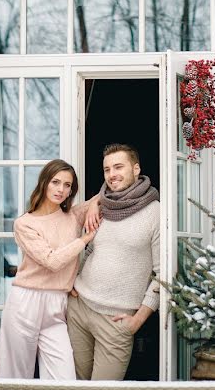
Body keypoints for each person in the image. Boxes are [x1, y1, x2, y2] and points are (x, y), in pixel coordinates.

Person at [0, 159, 101, 380]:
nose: (61, 189)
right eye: (56, 182)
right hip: (25, 302)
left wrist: (95, 203)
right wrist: (84, 239)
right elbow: (51, 261)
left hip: (56, 304)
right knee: (13, 374)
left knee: (64, 377)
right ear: (44, 183)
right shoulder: (25, 224)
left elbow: (104, 195)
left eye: (67, 185)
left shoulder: (73, 216)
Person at [67, 143, 160, 380]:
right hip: (79, 309)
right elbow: (90, 251)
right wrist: (71, 282)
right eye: (107, 169)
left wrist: (138, 320)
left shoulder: (155, 212)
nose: (112, 175)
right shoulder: (102, 205)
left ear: (136, 168)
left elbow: (164, 273)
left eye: (118, 167)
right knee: (75, 383)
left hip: (116, 320)